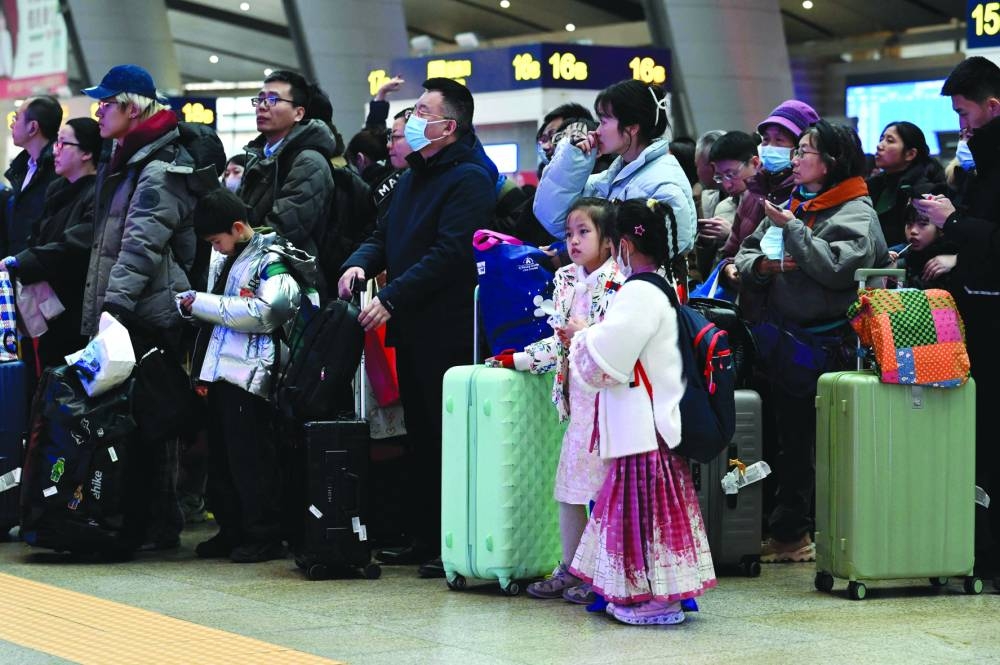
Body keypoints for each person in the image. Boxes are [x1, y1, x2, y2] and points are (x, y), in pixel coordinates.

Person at [337, 78, 498, 578]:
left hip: (449, 327)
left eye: (424, 110)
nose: (413, 117)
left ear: (448, 126)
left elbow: (452, 253)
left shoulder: (469, 178)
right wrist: (360, 263)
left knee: (446, 436)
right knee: (420, 437)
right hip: (411, 325)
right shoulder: (414, 175)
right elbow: (383, 234)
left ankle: (450, 538)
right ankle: (423, 534)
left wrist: (391, 296)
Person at [735, 120, 889, 563]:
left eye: (805, 151)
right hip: (783, 340)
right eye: (797, 150)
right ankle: (787, 529)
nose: (796, 158)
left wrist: (794, 232)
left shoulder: (855, 212)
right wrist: (761, 268)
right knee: (788, 438)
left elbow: (837, 269)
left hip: (828, 346)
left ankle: (801, 534)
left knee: (811, 442)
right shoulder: (797, 203)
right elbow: (747, 251)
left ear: (832, 161)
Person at [81, 64, 217, 551]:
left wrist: (110, 309)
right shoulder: (124, 159)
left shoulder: (158, 169)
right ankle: (137, 516)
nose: (97, 112)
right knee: (130, 418)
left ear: (131, 108)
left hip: (146, 312)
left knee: (153, 419)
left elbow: (140, 246)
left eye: (105, 103)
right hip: (124, 307)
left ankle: (161, 523)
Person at [567, 198, 716, 625]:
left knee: (646, 516)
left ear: (625, 245)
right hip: (653, 423)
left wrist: (582, 336)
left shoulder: (638, 293)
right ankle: (649, 594)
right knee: (652, 514)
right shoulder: (660, 286)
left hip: (642, 427)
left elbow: (605, 364)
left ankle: (657, 599)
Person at [485, 198, 623, 604]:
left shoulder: (620, 283)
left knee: (602, 492)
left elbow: (611, 341)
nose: (574, 241)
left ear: (609, 241)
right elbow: (561, 341)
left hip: (608, 402)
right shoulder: (564, 277)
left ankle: (600, 572)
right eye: (569, 234)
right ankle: (571, 566)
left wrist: (584, 333)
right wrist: (523, 358)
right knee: (569, 490)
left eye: (584, 232)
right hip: (576, 401)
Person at [912, 56, 1000, 585]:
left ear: (993, 106)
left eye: (966, 114)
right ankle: (980, 548)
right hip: (977, 317)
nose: (961, 125)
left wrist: (955, 222)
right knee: (979, 440)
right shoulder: (978, 164)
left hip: (993, 323)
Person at [177, 188, 298, 562]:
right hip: (217, 370)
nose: (215, 249)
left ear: (236, 227)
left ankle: (263, 533)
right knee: (223, 459)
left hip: (250, 374)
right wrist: (193, 306)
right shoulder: (227, 259)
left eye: (217, 241)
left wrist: (203, 303)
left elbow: (270, 310)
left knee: (251, 459)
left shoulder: (271, 258)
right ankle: (231, 529)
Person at [533, 79, 696, 255]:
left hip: (640, 283)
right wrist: (574, 159)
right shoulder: (612, 178)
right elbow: (553, 218)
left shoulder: (664, 184)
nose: (597, 131)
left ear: (632, 127)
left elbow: (659, 258)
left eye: (603, 122)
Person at [1, 118, 100, 376]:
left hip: (75, 312)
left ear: (87, 153)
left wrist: (23, 262)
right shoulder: (57, 190)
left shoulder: (98, 195)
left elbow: (74, 247)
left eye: (64, 144)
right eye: (56, 142)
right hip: (46, 309)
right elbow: (38, 236)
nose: (55, 150)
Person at [720, 100, 820, 302]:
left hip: (792, 312)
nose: (769, 147)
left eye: (780, 140)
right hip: (750, 311)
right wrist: (728, 268)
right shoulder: (751, 192)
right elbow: (730, 252)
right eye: (765, 140)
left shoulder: (808, 195)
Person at [238, 70, 338, 271]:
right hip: (254, 268)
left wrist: (234, 239)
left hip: (289, 277)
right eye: (260, 99)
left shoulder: (309, 162)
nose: (262, 106)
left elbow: (283, 230)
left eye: (273, 99)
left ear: (298, 113)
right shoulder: (259, 157)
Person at [866, 121, 946, 247]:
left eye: (890, 141)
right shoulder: (872, 186)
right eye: (881, 139)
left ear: (910, 154)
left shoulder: (924, 190)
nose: (880, 146)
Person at [2, 96, 61, 258]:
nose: (12, 124)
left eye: (16, 118)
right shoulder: (23, 167)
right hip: (16, 269)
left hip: (40, 273)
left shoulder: (59, 172)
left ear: (33, 127)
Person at [694, 130, 757, 278]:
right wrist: (705, 243)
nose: (727, 185)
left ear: (755, 163)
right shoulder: (723, 207)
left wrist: (731, 235)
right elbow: (713, 266)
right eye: (719, 177)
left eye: (731, 174)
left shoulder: (770, 205)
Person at [894, 200, 957, 290]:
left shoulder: (951, 261)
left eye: (923, 224)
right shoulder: (906, 256)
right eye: (909, 224)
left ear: (941, 230)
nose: (913, 231)